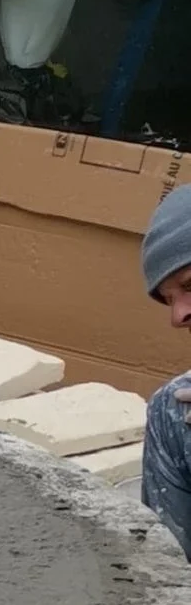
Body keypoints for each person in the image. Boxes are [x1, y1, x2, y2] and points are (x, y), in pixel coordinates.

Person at [135, 187, 191, 554]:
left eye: (190, 286)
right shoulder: (177, 413)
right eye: (170, 299)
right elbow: (165, 578)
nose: (178, 316)